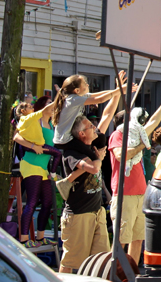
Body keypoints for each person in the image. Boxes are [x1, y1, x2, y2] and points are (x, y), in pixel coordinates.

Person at [108, 83, 161, 264]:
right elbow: (121, 155)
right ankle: (117, 272)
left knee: (138, 239)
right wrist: (141, 147)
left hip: (140, 193)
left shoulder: (138, 135)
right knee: (122, 238)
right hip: (124, 194)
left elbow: (153, 121)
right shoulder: (117, 136)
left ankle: (131, 272)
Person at [59, 115, 109, 274]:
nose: (95, 128)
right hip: (78, 215)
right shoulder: (72, 153)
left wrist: (115, 96)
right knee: (70, 262)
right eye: (90, 127)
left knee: (102, 261)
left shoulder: (91, 146)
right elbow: (93, 168)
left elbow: (106, 117)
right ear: (81, 134)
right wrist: (99, 158)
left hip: (97, 212)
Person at [13, 95, 61, 247]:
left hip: (42, 167)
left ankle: (40, 238)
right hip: (32, 163)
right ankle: (24, 239)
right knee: (32, 202)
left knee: (47, 202)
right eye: (27, 106)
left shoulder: (48, 123)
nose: (31, 107)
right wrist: (62, 94)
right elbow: (16, 137)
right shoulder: (31, 120)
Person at [51, 74, 134, 150]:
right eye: (84, 84)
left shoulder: (78, 96)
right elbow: (100, 99)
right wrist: (119, 90)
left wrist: (118, 90)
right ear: (77, 90)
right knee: (91, 153)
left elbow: (99, 95)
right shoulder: (73, 99)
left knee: (98, 139)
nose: (87, 85)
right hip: (64, 140)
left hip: (66, 138)